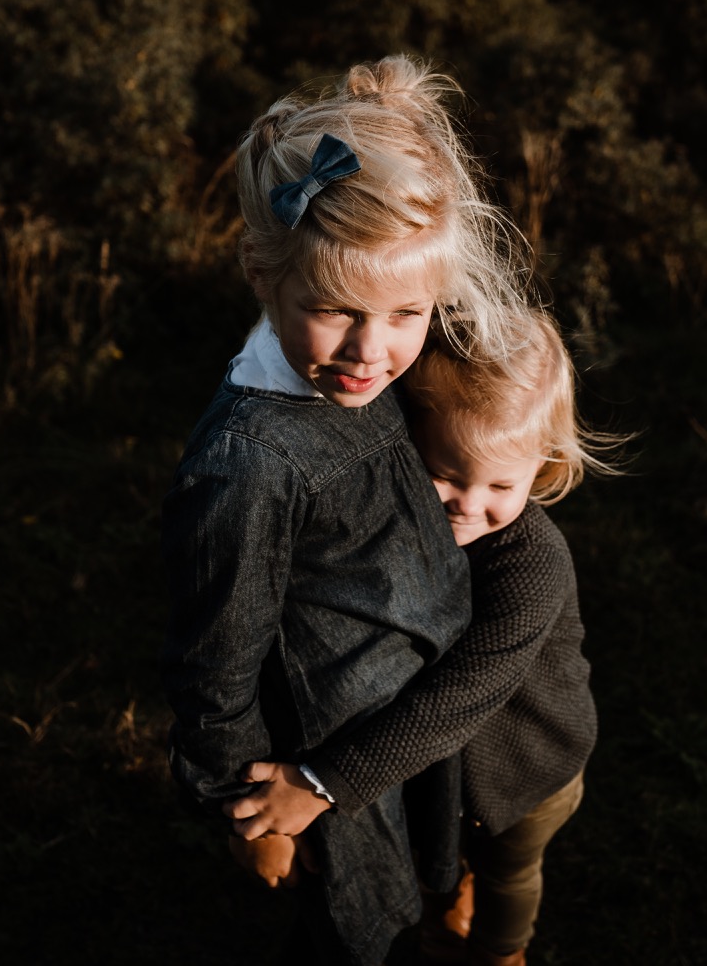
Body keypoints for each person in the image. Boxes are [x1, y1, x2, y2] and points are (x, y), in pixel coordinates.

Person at [160, 55, 534, 966]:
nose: (374, 351)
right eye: (336, 312)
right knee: (355, 920)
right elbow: (218, 659)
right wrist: (252, 815)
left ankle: (444, 901)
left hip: (401, 717)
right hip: (324, 747)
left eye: (408, 312)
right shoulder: (249, 464)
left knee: (426, 862)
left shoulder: (391, 351)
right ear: (262, 273)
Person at [225, 307, 616, 966]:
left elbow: (457, 700)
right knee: (443, 855)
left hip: (529, 769)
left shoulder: (531, 566)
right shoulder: (391, 524)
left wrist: (320, 784)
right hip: (437, 769)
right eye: (446, 472)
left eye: (500, 484)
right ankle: (444, 912)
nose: (468, 503)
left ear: (541, 469)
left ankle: (500, 951)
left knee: (509, 872)